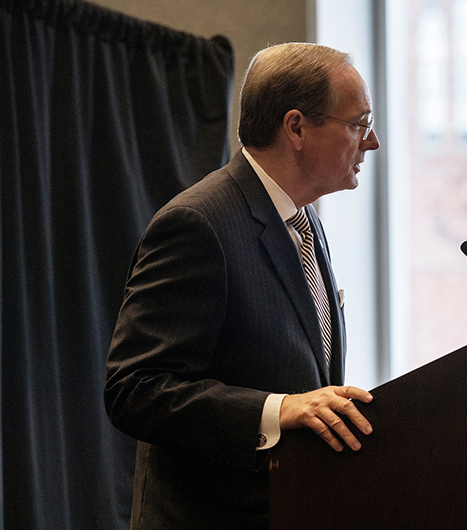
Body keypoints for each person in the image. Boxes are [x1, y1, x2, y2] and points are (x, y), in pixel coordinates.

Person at [104, 42, 379, 529]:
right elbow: (135, 389)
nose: (372, 142)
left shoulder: (305, 221)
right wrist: (276, 411)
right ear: (295, 127)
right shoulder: (199, 224)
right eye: (359, 123)